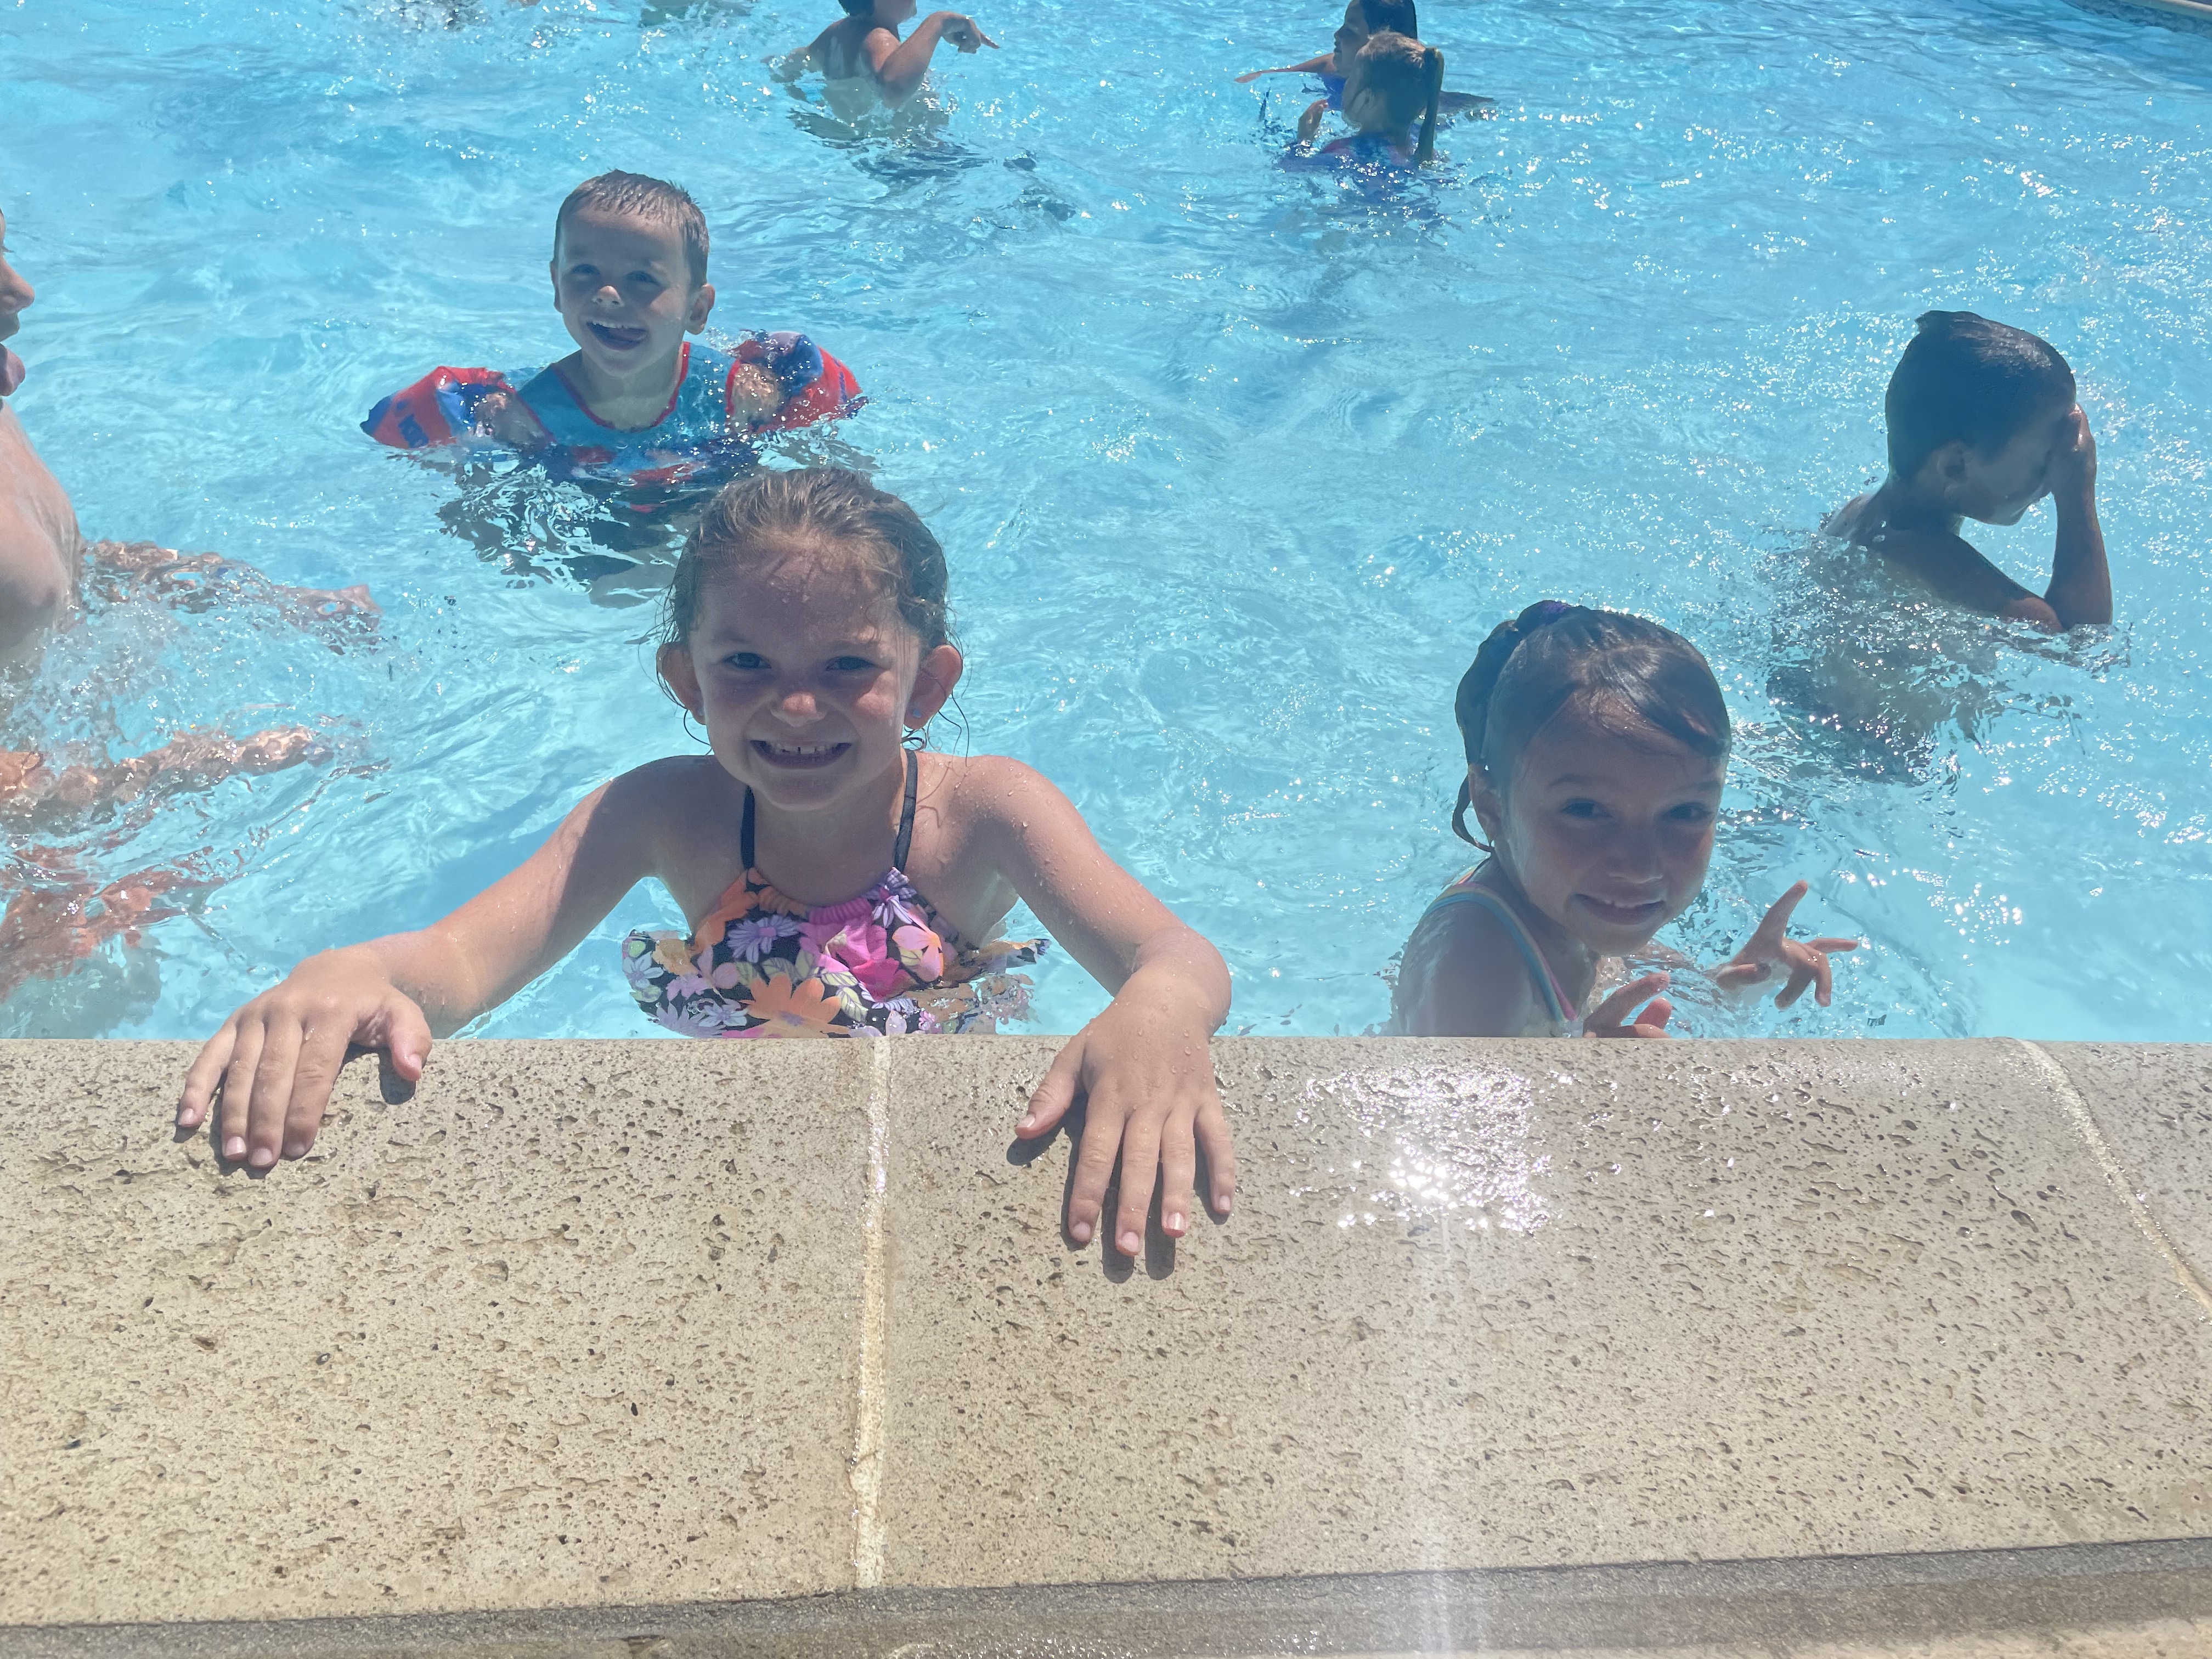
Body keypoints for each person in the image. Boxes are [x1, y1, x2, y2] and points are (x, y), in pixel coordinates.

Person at [176, 467, 1237, 1257]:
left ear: (924, 686)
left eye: (847, 665)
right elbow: (461, 960)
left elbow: (1171, 950)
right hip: (730, 1151)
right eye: (745, 663)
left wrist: (1156, 1010)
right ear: (686, 680)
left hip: (933, 1135)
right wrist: (357, 969)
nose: (796, 704)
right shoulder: (662, 810)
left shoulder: (984, 811)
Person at [1392, 602, 1858, 1039]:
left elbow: (1692, 1000)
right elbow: (1445, 1120)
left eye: (1685, 813)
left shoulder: (1583, 907)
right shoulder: (1477, 968)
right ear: (1491, 806)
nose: (1639, 866)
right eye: (1585, 811)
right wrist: (1581, 1080)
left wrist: (1750, 977)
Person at [363, 172, 863, 490]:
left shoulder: (740, 394)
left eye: (641, 279)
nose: (606, 294)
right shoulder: (520, 413)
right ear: (557, 287)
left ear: (697, 310)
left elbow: (833, 466)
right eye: (583, 273)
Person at [1824, 312, 2111, 635]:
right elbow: (2084, 643)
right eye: (2047, 460)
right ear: (1956, 465)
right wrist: (2077, 491)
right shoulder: (1945, 570)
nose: (2056, 473)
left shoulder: (1857, 512)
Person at [1237, 0, 1487, 146]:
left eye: (1350, 30)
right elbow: (1267, 76)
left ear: (1381, 44)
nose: (1337, 35)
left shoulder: (1420, 109)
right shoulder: (1331, 66)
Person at [781, 0, 997, 117]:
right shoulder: (877, 38)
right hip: (902, 155)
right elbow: (894, 88)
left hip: (859, 142)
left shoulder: (838, 31)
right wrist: (939, 22)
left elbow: (792, 63)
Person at [1284, 32, 1443, 174]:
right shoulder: (1421, 151)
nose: (1346, 84)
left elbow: (1292, 170)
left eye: (1352, 77)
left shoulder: (1342, 151)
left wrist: (1303, 140)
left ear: (1367, 99)